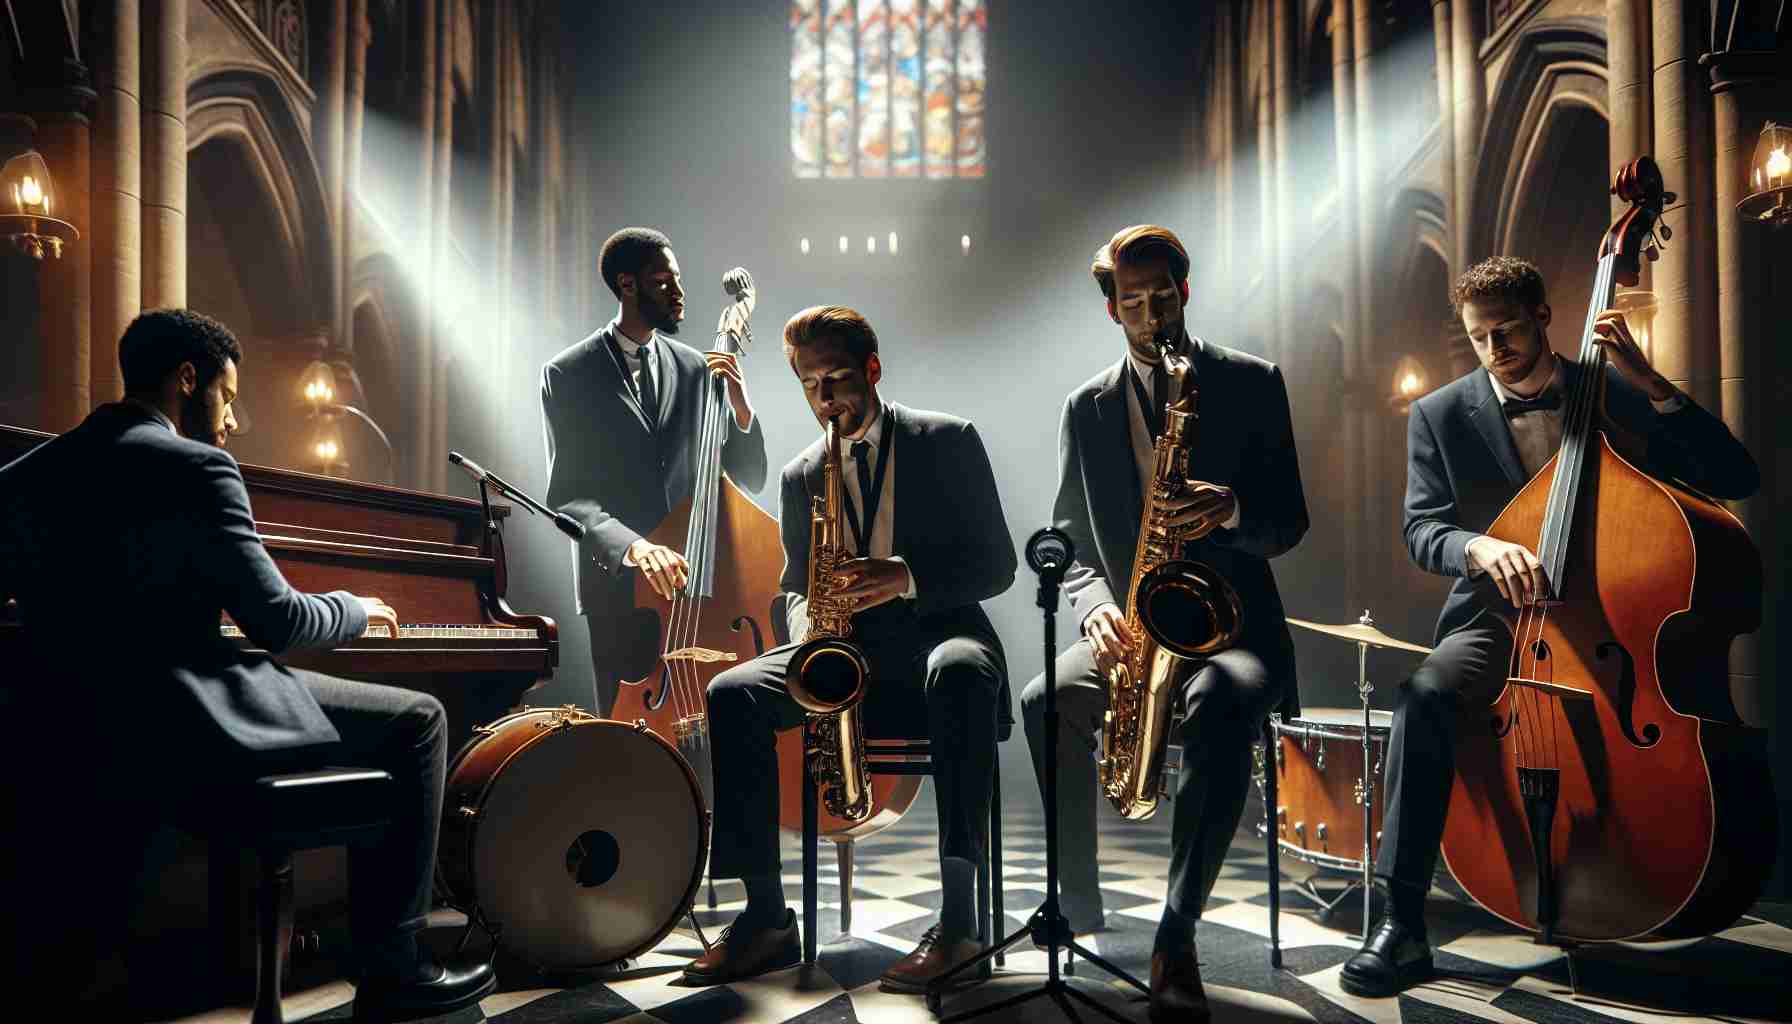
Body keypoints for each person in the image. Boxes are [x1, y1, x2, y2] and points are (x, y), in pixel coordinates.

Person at [0, 309, 494, 1019]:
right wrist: (354, 605)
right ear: (187, 380)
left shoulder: (26, 472)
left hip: (65, 717)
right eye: (228, 397)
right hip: (183, 717)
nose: (232, 419)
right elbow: (280, 622)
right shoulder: (197, 466)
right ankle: (394, 966)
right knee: (419, 718)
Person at [1340, 256, 1760, 996]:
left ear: (1542, 315)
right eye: (1478, 339)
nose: (1494, 351)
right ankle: (1401, 921)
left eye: (1506, 331)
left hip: (1618, 623)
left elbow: (1735, 477)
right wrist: (1476, 546)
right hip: (1498, 620)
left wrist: (1658, 387)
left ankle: (1641, 875)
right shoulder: (1440, 414)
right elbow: (1420, 530)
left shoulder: (1619, 393)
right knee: (1422, 696)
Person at [685, 305, 1016, 994]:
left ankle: (960, 923)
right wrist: (813, 629)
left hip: (942, 632)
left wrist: (905, 577)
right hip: (845, 648)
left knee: (958, 672)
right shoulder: (803, 473)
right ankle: (768, 919)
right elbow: (795, 585)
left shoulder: (949, 439)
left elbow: (998, 565)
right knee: (732, 692)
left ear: (872, 369)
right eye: (810, 386)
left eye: (837, 379)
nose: (826, 401)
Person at [1024, 225, 1309, 1022]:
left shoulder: (1253, 381)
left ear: (1186, 290)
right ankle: (1076, 904)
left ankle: (1175, 935)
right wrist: (1094, 608)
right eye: (1133, 301)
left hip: (1236, 631)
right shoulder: (1086, 407)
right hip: (1135, 627)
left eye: (1163, 295)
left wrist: (1235, 508)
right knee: (1041, 700)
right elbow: (1069, 538)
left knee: (1219, 702)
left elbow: (1290, 520)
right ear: (1112, 310)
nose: (1152, 315)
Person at [541, 227, 767, 716]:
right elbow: (569, 497)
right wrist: (636, 548)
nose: (680, 294)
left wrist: (742, 410)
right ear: (627, 285)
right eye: (664, 282)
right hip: (620, 592)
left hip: (698, 583)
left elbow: (746, 479)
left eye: (678, 280)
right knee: (629, 741)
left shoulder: (696, 368)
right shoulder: (569, 373)